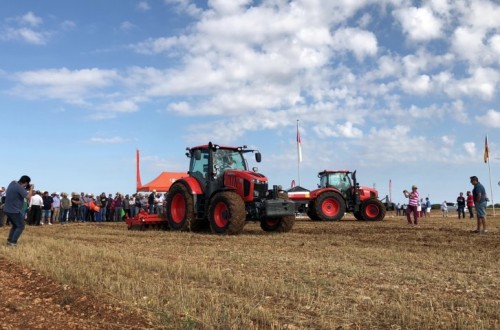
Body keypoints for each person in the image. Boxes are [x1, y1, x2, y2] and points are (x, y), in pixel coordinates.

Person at [4, 175, 33, 246]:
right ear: (26, 183)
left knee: (14, 226)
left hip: (7, 209)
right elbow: (29, 197)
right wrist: (31, 189)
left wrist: (25, 187)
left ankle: (9, 241)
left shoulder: (12, 183)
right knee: (21, 226)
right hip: (14, 210)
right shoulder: (19, 188)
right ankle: (13, 242)